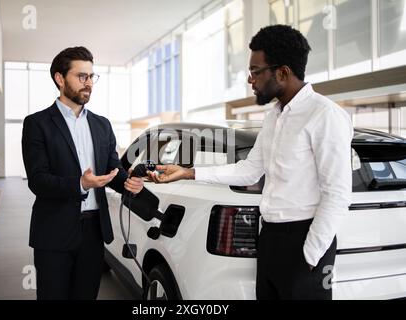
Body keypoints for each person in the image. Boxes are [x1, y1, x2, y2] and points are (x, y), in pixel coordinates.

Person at [147, 25, 353, 300]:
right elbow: (249, 170)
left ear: (282, 72)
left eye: (256, 71)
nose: (249, 79)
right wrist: (187, 172)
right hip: (269, 237)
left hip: (303, 241)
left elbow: (337, 194)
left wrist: (310, 255)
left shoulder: (324, 115)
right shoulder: (274, 117)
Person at [21, 46, 144, 300]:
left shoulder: (102, 124)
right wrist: (80, 183)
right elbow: (38, 180)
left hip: (93, 232)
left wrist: (129, 182)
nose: (88, 83)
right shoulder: (37, 124)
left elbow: (114, 170)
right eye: (81, 76)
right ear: (60, 78)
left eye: (91, 77)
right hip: (53, 231)